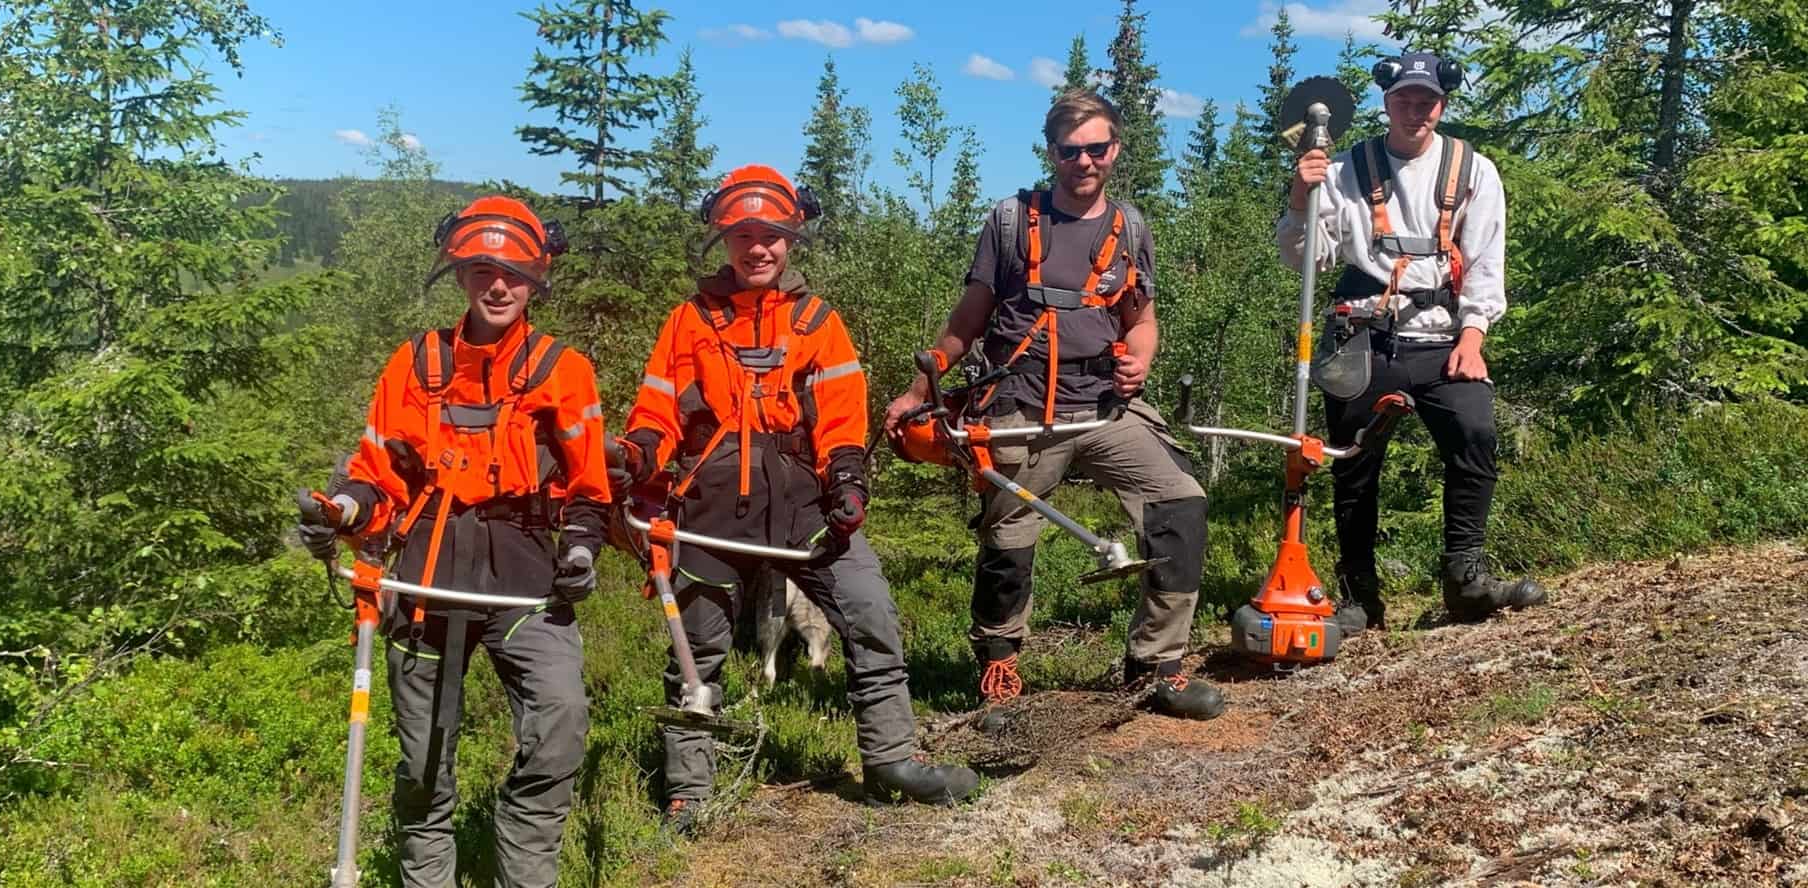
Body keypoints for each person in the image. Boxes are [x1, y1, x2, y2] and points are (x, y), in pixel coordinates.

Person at [608, 165, 979, 832]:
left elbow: (841, 416)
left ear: (792, 240)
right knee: (697, 646)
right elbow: (656, 412)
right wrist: (638, 459)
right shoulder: (688, 322)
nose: (759, 248)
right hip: (711, 506)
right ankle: (689, 791)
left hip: (805, 504)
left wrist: (847, 480)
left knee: (870, 610)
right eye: (745, 235)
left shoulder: (817, 323)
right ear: (725, 239)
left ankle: (891, 759)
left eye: (772, 236)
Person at [881, 90, 1224, 720]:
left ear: (1116, 149)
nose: (1085, 162)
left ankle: (1157, 666)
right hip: (1022, 406)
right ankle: (999, 668)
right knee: (1008, 539)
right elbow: (969, 318)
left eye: (1097, 148)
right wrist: (920, 387)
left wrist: (1140, 357)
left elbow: (1141, 321)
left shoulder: (1131, 228)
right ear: (1051, 153)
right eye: (1071, 151)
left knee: (1182, 503)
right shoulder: (1012, 220)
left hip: (1105, 407)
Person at [296, 196, 607, 887]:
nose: (498, 285)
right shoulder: (413, 366)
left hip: (527, 575)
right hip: (425, 574)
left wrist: (582, 550)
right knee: (423, 761)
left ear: (538, 278)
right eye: (480, 269)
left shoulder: (564, 369)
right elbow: (377, 480)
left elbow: (588, 490)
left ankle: (524, 869)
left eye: (515, 272)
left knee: (560, 718)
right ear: (460, 274)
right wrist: (342, 508)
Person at [1277, 51, 1547, 628]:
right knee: (1353, 461)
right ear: (1386, 103)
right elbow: (1308, 261)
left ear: (1441, 105)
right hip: (1363, 334)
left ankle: (1464, 576)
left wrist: (1473, 336)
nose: (1415, 111)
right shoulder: (1346, 169)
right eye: (1404, 100)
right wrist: (1301, 199)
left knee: (1475, 431)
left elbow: (1485, 264)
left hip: (1443, 335)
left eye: (1426, 101)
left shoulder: (1474, 171)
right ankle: (1359, 597)